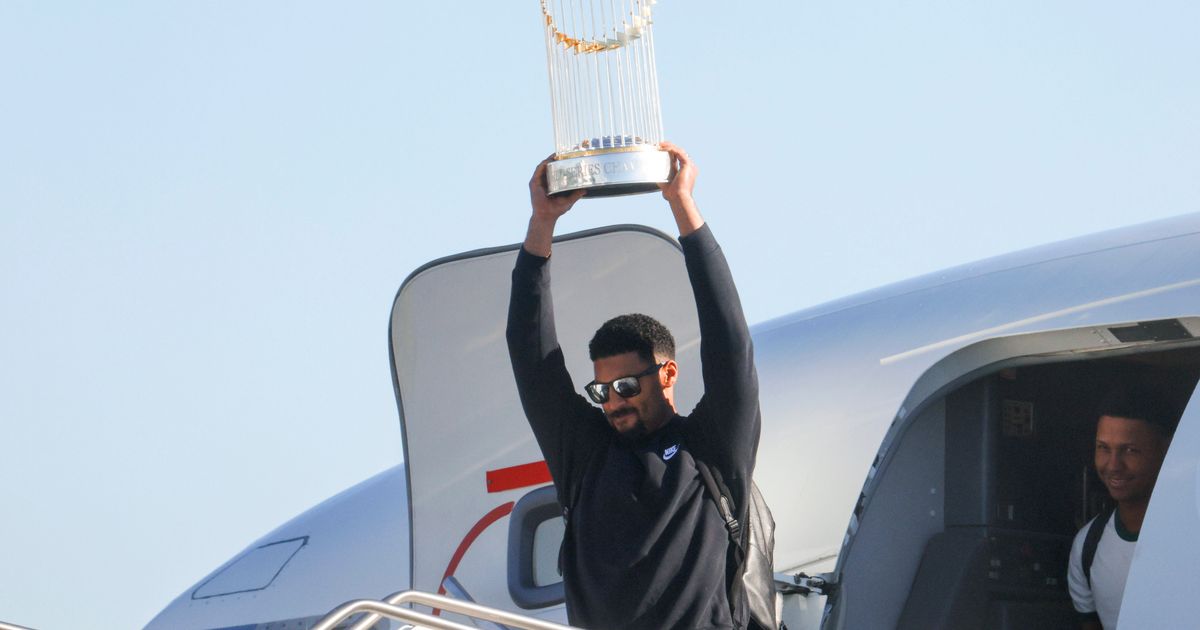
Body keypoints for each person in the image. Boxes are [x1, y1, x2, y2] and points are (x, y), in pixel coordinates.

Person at [506, 143, 761, 629]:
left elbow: (731, 347)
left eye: (625, 385)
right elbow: (530, 355)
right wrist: (542, 223)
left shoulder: (711, 447)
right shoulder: (586, 455)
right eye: (601, 391)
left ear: (667, 374)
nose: (613, 402)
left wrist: (681, 205)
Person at [1067, 386, 1176, 630]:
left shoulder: (1189, 534)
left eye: (1130, 450)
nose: (1114, 465)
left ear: (1167, 448)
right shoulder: (1087, 545)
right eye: (1103, 448)